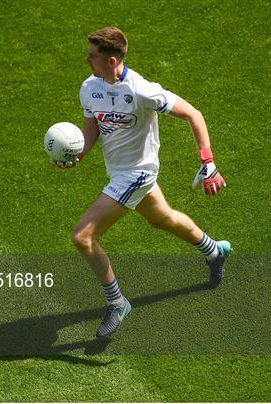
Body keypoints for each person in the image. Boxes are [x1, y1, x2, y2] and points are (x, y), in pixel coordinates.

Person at [55, 27, 231, 338]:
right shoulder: (89, 88)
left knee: (83, 237)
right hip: (119, 172)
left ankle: (116, 302)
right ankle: (215, 250)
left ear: (111, 60)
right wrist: (77, 155)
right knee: (162, 218)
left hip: (138, 173)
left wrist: (208, 162)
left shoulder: (141, 91)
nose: (87, 60)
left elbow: (194, 114)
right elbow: (92, 129)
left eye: (92, 56)